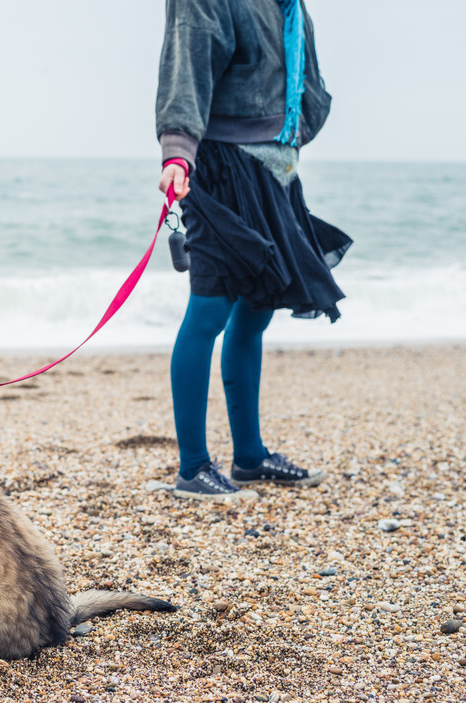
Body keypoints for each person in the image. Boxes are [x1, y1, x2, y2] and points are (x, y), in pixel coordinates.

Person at [155, 0, 351, 501]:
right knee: (209, 313)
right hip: (220, 165)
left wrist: (293, 133)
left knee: (256, 311)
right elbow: (187, 61)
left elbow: (306, 78)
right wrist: (179, 152)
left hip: (277, 170)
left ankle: (249, 457)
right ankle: (193, 468)